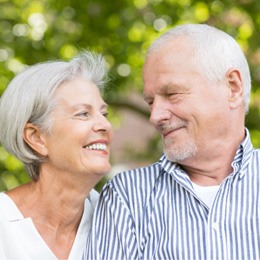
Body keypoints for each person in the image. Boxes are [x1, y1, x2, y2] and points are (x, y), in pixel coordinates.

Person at [84, 23, 260, 260]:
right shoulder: (128, 196)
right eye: (150, 102)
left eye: (172, 94)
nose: (155, 117)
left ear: (233, 87)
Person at [0, 51, 113, 259]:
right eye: (83, 114)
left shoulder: (117, 219)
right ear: (37, 137)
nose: (105, 125)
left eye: (104, 113)